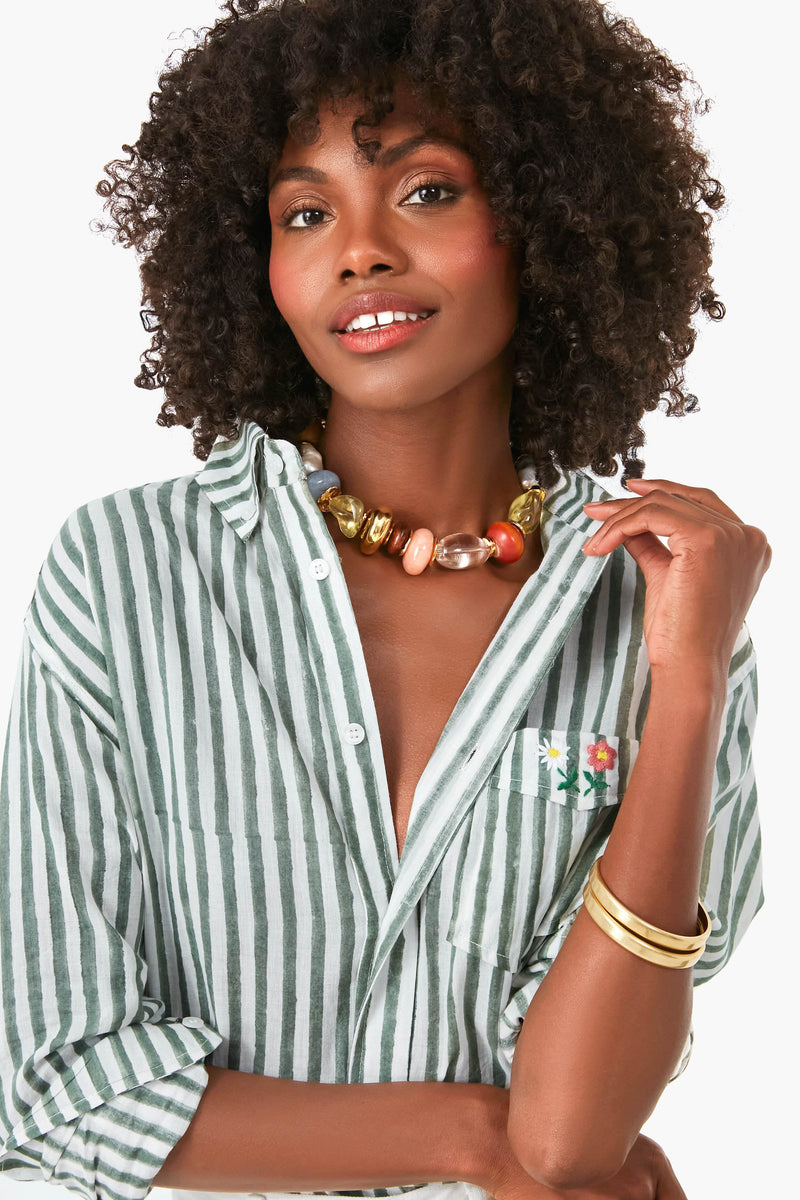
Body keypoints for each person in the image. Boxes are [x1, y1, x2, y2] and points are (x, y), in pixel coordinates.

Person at [0, 1, 771, 1199]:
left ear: (543, 217)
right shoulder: (124, 575)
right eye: (305, 214)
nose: (357, 252)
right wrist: (466, 1135)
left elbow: (570, 1134)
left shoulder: (658, 604)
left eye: (424, 191)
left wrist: (686, 689)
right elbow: (62, 1084)